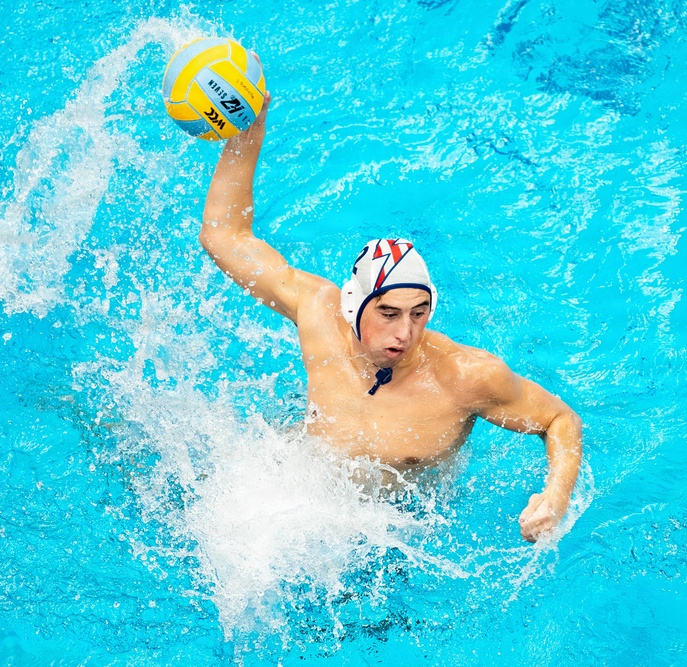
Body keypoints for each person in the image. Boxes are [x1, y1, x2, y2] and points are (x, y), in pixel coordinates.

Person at [199, 92, 582, 543]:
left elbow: (560, 419)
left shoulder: (465, 377)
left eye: (420, 314)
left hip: (397, 532)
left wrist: (555, 497)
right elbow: (224, 235)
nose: (406, 333)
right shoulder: (317, 311)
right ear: (352, 306)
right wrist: (250, 129)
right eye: (388, 313)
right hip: (302, 486)